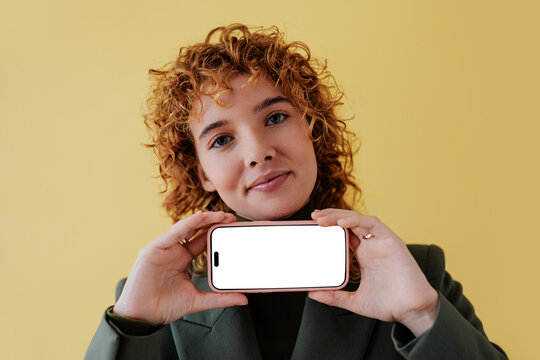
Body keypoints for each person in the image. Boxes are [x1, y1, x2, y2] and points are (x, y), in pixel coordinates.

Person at [85, 24, 507, 359]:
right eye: (220, 140)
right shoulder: (154, 299)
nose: (258, 153)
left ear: (312, 128)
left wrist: (422, 314)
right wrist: (132, 325)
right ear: (202, 174)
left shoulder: (418, 273)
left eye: (275, 118)